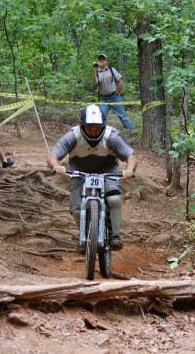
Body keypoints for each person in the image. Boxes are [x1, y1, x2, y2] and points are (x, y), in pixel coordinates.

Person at [48, 104, 136, 252]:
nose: (94, 131)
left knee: (114, 199)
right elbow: (53, 156)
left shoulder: (111, 136)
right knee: (76, 209)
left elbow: (130, 156)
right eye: (90, 127)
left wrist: (129, 170)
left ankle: (115, 235)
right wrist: (56, 166)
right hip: (79, 171)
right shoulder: (73, 135)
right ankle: (83, 235)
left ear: (103, 125)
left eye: (97, 127)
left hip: (107, 170)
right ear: (82, 125)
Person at [92, 54, 134, 132]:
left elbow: (120, 82)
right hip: (103, 98)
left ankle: (131, 131)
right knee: (102, 115)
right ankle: (101, 132)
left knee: (122, 116)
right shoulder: (98, 72)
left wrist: (117, 92)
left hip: (114, 97)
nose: (101, 61)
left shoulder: (111, 70)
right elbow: (94, 84)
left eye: (103, 59)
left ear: (106, 62)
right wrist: (94, 70)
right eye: (100, 60)